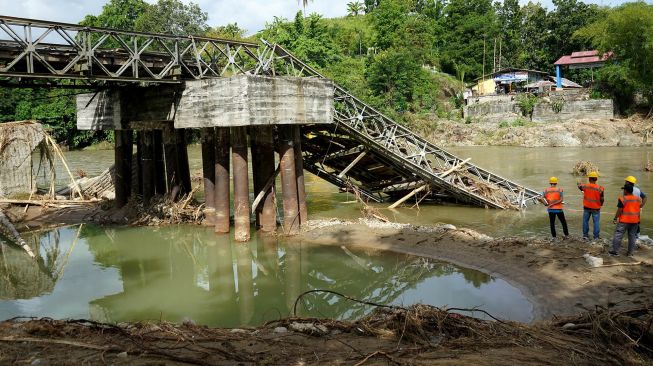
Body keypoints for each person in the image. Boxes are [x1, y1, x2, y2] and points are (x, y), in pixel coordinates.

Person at [609, 185, 643, 257]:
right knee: (632, 237)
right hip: (635, 221)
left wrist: (615, 218)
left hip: (624, 221)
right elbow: (638, 211)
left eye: (624, 190)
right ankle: (630, 253)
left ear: (626, 191)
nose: (623, 191)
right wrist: (638, 220)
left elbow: (619, 210)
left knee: (618, 235)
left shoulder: (623, 199)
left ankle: (615, 251)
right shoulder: (638, 199)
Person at [577, 171, 604, 240]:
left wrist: (578, 184)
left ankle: (585, 236)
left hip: (586, 207)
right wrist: (601, 204)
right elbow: (602, 199)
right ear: (596, 179)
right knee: (596, 222)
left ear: (589, 179)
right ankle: (596, 237)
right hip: (596, 208)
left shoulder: (585, 186)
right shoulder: (600, 188)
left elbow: (580, 187)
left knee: (585, 221)